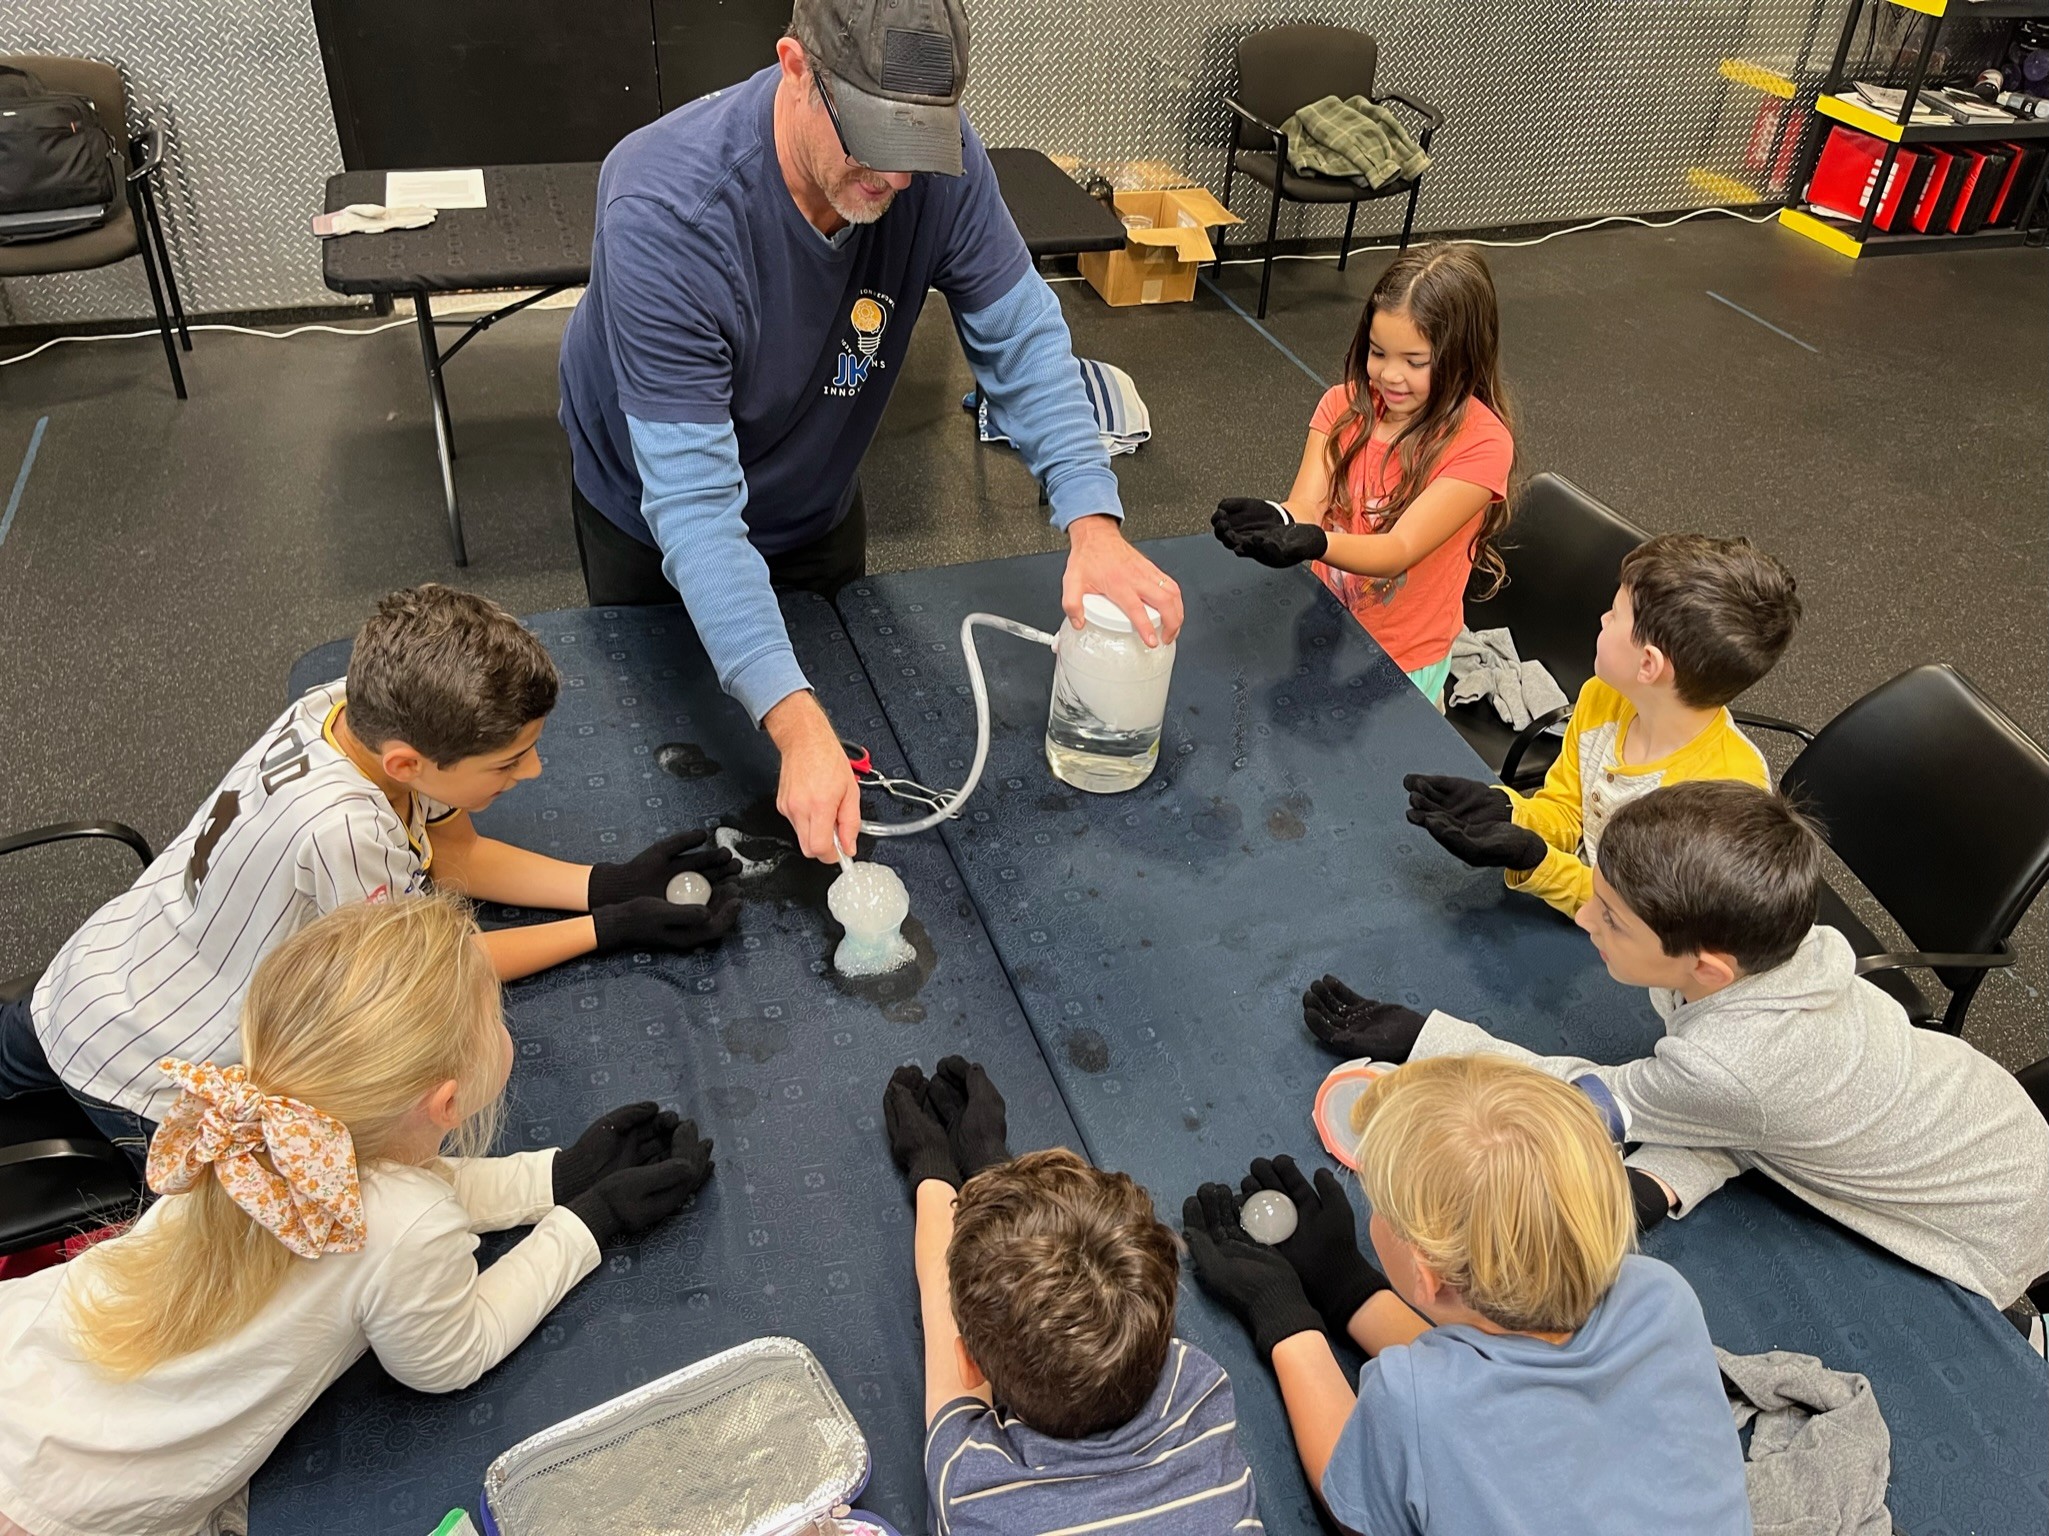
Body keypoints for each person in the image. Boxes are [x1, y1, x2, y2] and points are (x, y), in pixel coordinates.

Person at [557, 0, 1183, 867]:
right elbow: (695, 508)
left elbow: (1024, 342)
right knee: (672, 775)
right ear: (795, 67)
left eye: (917, 146)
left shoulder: (942, 166)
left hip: (812, 497)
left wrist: (1092, 519)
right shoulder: (668, 209)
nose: (894, 179)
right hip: (650, 517)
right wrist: (790, 719)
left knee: (840, 721)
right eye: (871, 140)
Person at [0, 894, 714, 1536]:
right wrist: (585, 1223)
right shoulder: (401, 1220)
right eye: (495, 1012)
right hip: (76, 1508)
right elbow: (449, 1356)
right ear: (445, 1103)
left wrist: (551, 1178)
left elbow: (393, 1190)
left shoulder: (255, 1119)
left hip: (33, 1379)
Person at [0, 584, 738, 1165]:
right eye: (509, 762)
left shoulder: (340, 705)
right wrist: (610, 929)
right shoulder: (344, 829)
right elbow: (434, 971)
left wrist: (601, 882)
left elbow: (450, 853)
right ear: (408, 766)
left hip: (92, 975)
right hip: (149, 1067)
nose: (533, 771)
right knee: (253, 1273)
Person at [1308, 781, 2049, 1306]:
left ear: (1707, 967)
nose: (1587, 921)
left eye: (1611, 920)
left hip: (1979, 1226)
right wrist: (1669, 1175)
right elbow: (1745, 1115)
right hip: (1982, 1113)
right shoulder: (1787, 950)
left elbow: (1579, 1107)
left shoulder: (1731, 1064)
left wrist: (1429, 1040)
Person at [1182, 1055, 1750, 1536]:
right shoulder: (1662, 1296)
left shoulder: (1417, 1402)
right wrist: (1346, 1288)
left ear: (1429, 1277)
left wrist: (1284, 1316)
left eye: (1378, 1202)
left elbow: (1349, 1496)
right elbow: (1505, 1381)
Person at [881, 1057, 1261, 1534]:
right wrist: (994, 1168)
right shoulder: (1200, 1389)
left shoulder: (973, 1490)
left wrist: (932, 1166)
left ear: (972, 1362)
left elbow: (945, 1337)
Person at [1401, 531, 1799, 917]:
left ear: (1648, 664)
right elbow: (1567, 811)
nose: (1603, 617)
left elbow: (1636, 919)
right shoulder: (1601, 697)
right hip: (1592, 903)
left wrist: (1536, 863)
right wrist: (1509, 814)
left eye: (1616, 614)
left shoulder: (1719, 799)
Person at [1211, 245, 1514, 704]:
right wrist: (1277, 518)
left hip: (1403, 661)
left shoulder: (1482, 443)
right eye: (1377, 353)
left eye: (1415, 362)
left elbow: (1399, 549)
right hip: (1325, 623)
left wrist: (1317, 542)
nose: (1390, 375)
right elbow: (1307, 507)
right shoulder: (1342, 405)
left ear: (1464, 358)